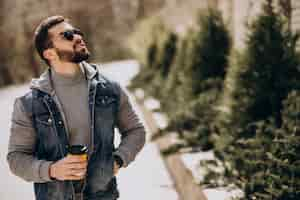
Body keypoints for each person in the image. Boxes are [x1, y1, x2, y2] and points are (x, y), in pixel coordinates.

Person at [7, 15, 146, 200]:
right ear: (50, 53)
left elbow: (136, 130)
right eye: (67, 35)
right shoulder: (28, 103)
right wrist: (52, 170)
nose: (78, 37)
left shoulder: (109, 89)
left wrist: (117, 161)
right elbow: (16, 158)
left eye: (77, 32)